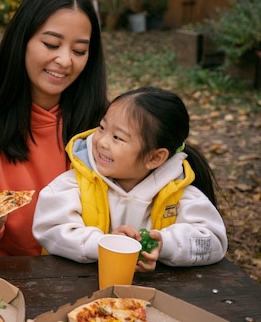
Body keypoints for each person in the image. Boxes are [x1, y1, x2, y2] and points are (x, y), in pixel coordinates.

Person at [0, 0, 109, 257]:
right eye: (51, 44)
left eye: (79, 51)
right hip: (14, 282)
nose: (65, 60)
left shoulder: (104, 125)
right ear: (21, 41)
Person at [32, 86, 228, 271]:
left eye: (118, 138)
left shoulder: (177, 194)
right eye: (102, 127)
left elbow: (214, 243)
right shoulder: (74, 185)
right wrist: (104, 244)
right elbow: (49, 229)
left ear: (155, 157)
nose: (102, 142)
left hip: (156, 298)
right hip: (76, 293)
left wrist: (163, 243)